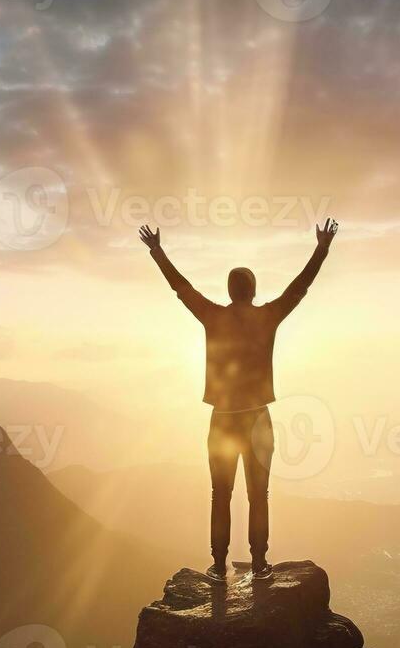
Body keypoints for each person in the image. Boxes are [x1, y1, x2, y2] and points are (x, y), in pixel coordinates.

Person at [139, 218, 338, 583]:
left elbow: (182, 289)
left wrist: (157, 251)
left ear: (230, 291)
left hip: (223, 420)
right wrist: (322, 248)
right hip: (258, 419)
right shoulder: (267, 317)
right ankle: (260, 563)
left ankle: (218, 565)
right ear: (253, 289)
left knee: (220, 494)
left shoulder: (213, 316)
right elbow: (299, 288)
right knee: (259, 495)